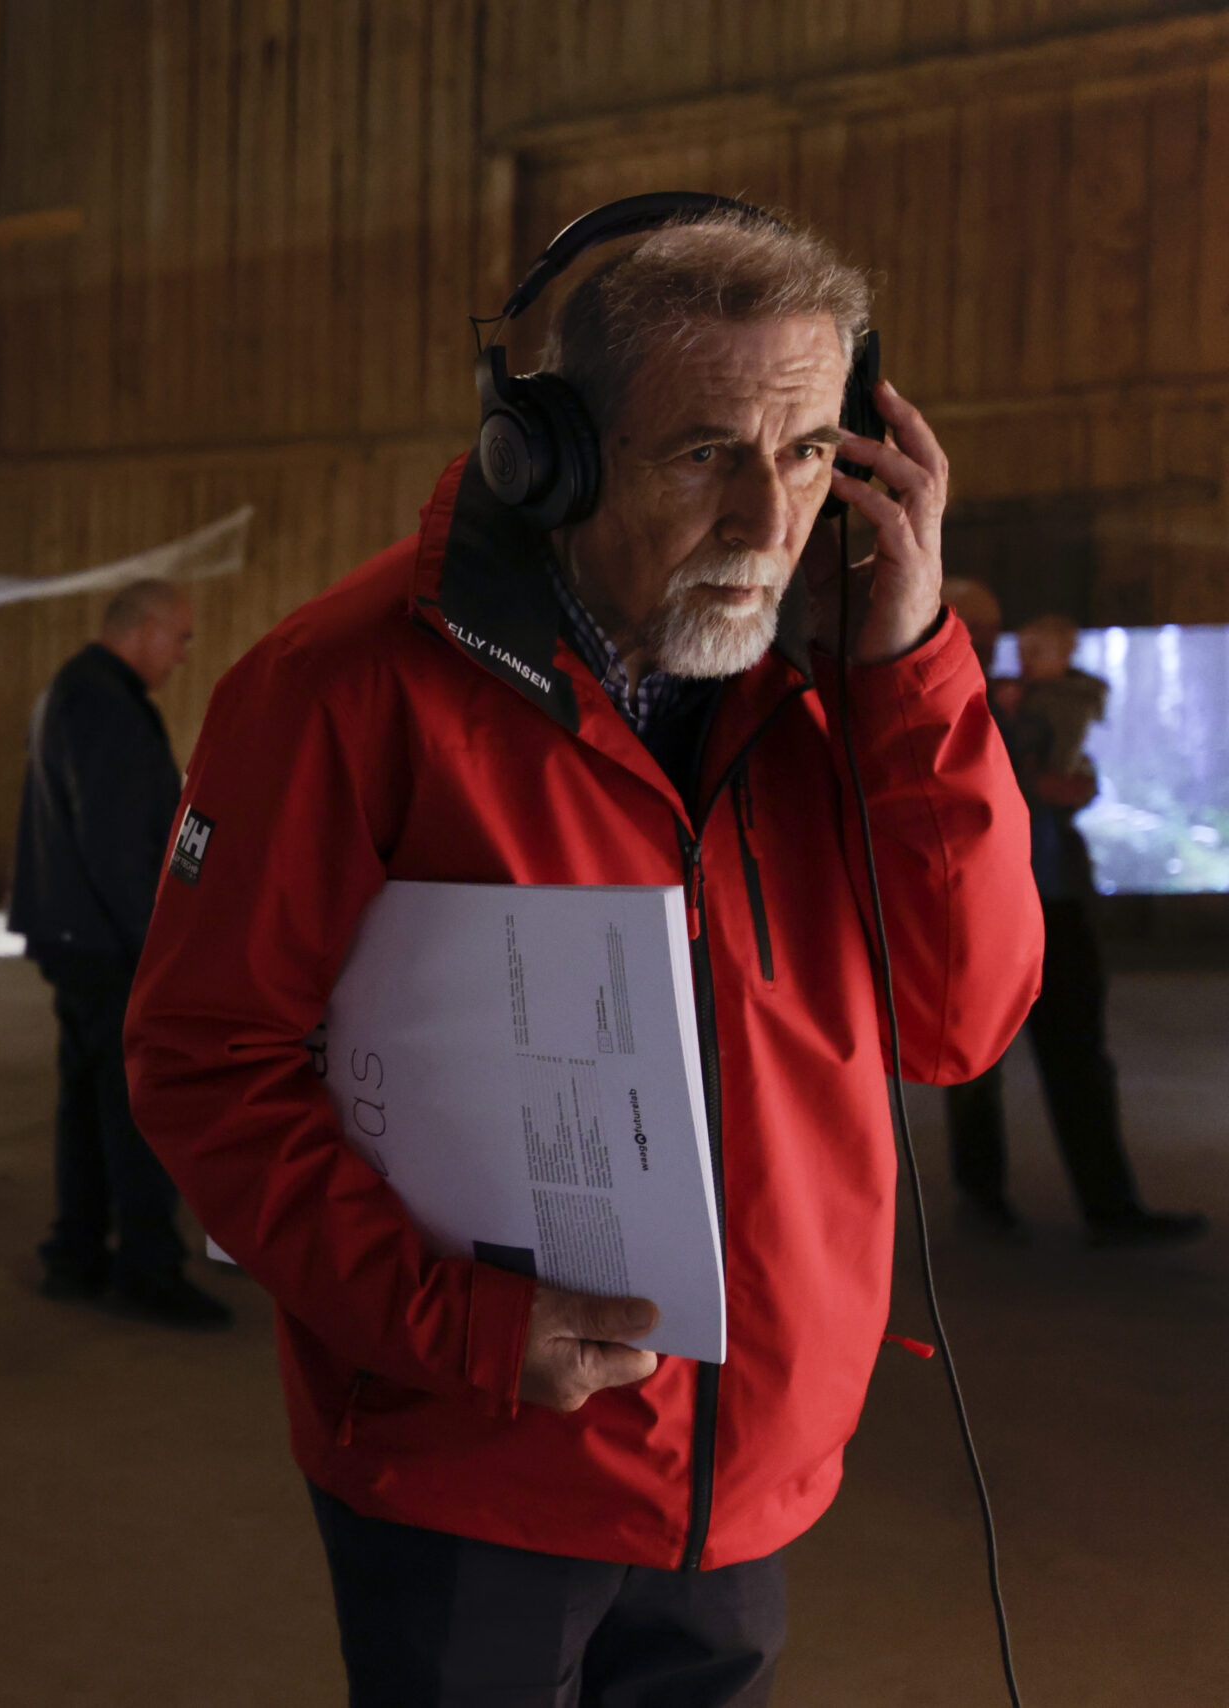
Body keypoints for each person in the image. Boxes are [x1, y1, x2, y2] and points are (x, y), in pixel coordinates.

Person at [125, 209, 1042, 1705]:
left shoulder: (847, 684)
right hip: (473, 1456)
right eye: (705, 452)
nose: (766, 517)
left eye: (810, 450)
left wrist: (911, 669)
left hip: (750, 1464)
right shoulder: (338, 690)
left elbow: (961, 1021)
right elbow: (200, 1060)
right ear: (543, 454)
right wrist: (464, 1328)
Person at [937, 592, 1207, 1248]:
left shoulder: (1028, 698)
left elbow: (1067, 764)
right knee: (975, 1060)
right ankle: (983, 1197)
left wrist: (1073, 784)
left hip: (1056, 901)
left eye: (993, 629)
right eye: (975, 627)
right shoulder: (948, 699)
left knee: (1081, 1056)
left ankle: (1110, 1206)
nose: (989, 641)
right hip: (979, 912)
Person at [6, 578, 228, 1327]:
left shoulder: (74, 689)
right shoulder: (104, 701)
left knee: (89, 1101)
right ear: (144, 628)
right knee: (137, 1107)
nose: (184, 655)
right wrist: (160, 948)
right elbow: (118, 844)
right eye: (181, 637)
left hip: (77, 934)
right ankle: (147, 1267)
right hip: (110, 940)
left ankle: (74, 1254)